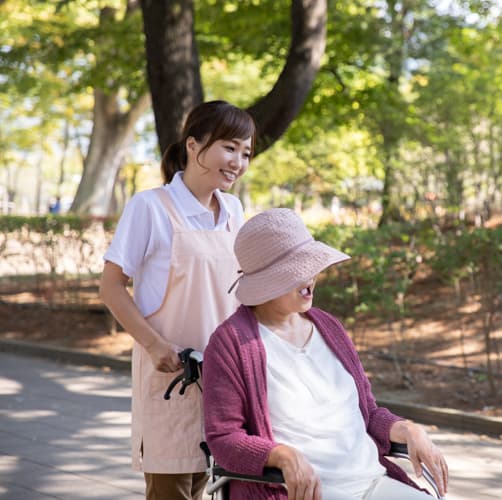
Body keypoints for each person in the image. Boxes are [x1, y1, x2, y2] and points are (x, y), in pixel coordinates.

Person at [202, 208, 449, 500]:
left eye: (312, 265)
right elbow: (224, 439)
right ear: (267, 279)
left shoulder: (328, 326)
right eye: (297, 268)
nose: (312, 276)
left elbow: (367, 414)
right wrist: (280, 455)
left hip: (372, 482)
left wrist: (408, 430)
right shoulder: (231, 342)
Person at [99, 100, 255, 500]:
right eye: (230, 147)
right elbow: (111, 286)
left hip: (223, 377)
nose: (239, 161)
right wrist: (154, 345)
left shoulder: (234, 209)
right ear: (193, 144)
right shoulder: (150, 208)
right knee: (171, 491)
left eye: (246, 152)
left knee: (208, 485)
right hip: (169, 375)